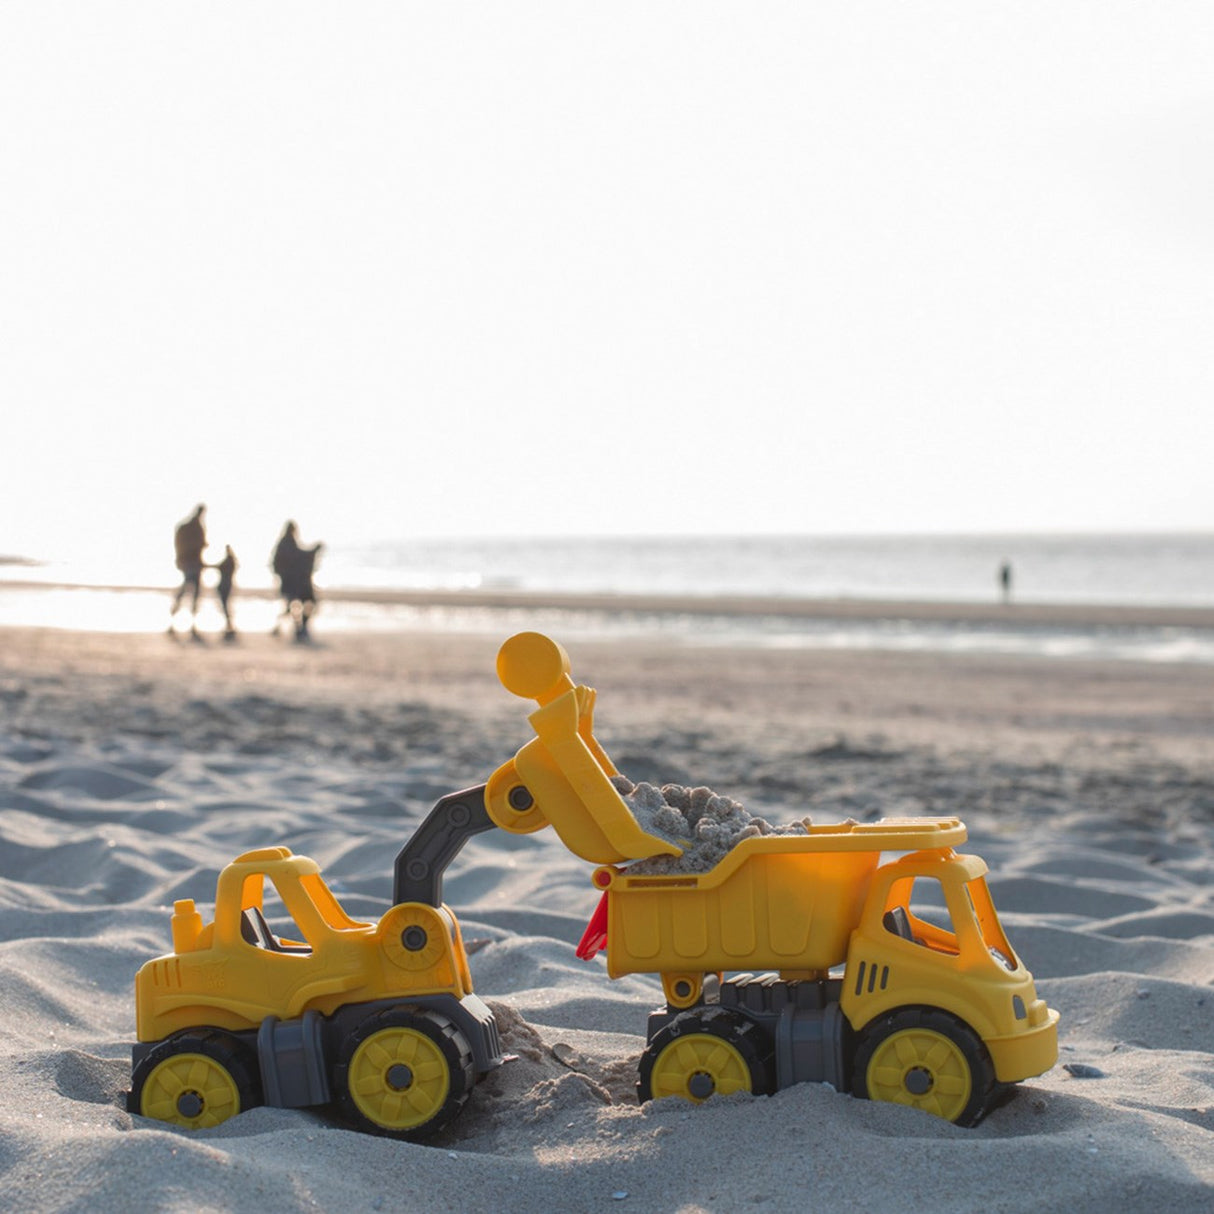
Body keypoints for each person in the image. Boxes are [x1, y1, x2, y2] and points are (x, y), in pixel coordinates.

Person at [271, 521, 324, 641]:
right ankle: (299, 628)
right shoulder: (286, 544)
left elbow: (298, 556)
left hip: (293, 582)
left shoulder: (286, 544)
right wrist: (314, 550)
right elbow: (299, 556)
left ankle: (299, 628)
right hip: (294, 583)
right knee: (297, 605)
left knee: (294, 605)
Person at [169, 504, 207, 638]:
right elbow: (195, 545)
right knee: (190, 594)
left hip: (189, 563)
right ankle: (180, 623)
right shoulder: (194, 527)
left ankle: (182, 623)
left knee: (187, 593)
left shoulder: (187, 526)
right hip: (192, 564)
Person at [212, 545, 238, 640]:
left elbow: (220, 567)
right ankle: (229, 626)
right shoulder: (231, 562)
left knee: (225, 607)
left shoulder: (229, 561)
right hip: (226, 585)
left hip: (225, 586)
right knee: (225, 607)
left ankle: (229, 627)